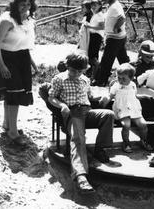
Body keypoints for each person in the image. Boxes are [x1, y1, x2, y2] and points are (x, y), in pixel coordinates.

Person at [48, 52, 114, 194]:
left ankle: (99, 149)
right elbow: (51, 98)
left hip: (87, 111)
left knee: (108, 115)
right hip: (72, 112)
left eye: (80, 71)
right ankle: (81, 177)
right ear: (68, 66)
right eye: (73, 70)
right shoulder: (60, 79)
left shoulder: (85, 79)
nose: (77, 74)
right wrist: (62, 106)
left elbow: (89, 96)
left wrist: (102, 97)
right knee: (78, 139)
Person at [0, 0, 38, 146]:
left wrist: (32, 63)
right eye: (21, 4)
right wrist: (2, 66)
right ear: (14, 4)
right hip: (8, 59)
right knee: (14, 95)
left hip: (22, 59)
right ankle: (13, 131)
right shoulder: (7, 19)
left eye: (28, 4)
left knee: (12, 93)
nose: (25, 7)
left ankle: (7, 124)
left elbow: (24, 45)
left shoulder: (29, 20)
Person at [101, 63, 152, 153]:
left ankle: (143, 140)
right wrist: (105, 101)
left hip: (134, 108)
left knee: (143, 124)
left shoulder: (132, 85)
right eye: (118, 77)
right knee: (126, 125)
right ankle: (126, 143)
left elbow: (134, 96)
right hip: (122, 109)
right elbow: (110, 96)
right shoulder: (116, 86)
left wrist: (144, 96)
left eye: (123, 78)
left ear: (131, 78)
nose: (120, 80)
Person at [94, 0, 130, 86]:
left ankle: (100, 81)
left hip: (115, 38)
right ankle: (131, 77)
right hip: (117, 37)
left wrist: (115, 28)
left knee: (106, 61)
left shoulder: (114, 6)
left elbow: (122, 18)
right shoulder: (112, 5)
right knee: (123, 60)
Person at [86, 0, 105, 80]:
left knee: (93, 57)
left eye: (95, 5)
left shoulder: (100, 15)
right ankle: (93, 73)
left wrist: (89, 26)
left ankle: (98, 72)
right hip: (93, 35)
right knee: (91, 55)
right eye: (92, 5)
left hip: (96, 36)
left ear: (100, 6)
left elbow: (102, 27)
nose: (93, 7)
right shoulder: (95, 14)